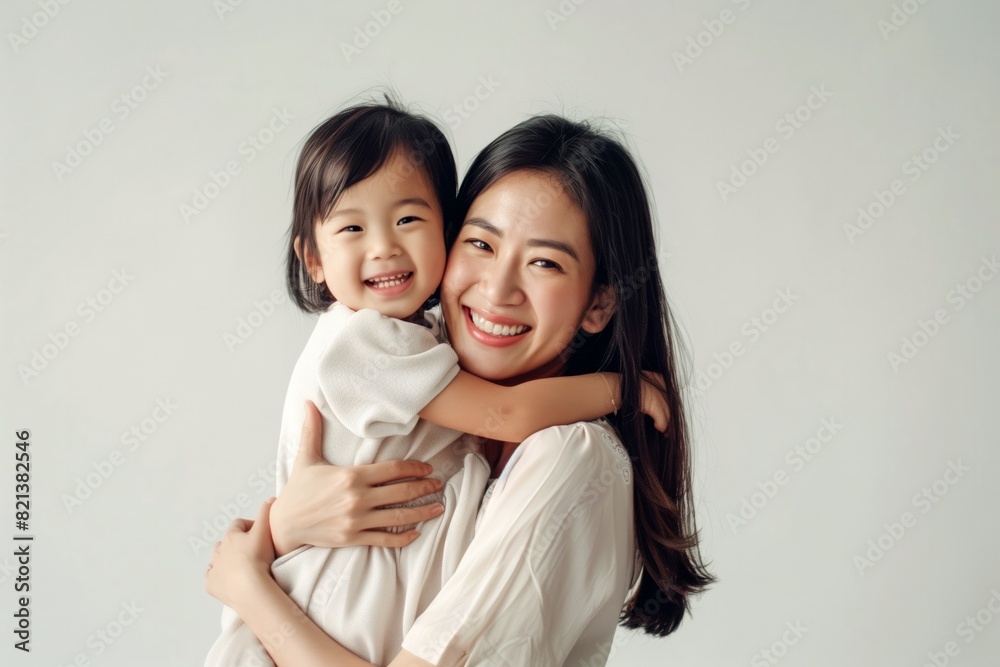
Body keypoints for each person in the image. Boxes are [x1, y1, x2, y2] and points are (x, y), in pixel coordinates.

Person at [206, 114, 715, 666]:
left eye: (544, 262)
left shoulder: (571, 457)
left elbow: (509, 413)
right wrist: (281, 527)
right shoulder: (403, 355)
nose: (497, 290)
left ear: (599, 303)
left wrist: (249, 589)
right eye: (480, 243)